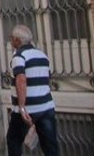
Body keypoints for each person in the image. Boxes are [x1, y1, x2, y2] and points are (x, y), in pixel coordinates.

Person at [6, 24, 59, 156]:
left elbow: (21, 79)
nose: (11, 41)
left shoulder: (19, 56)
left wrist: (22, 107)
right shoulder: (42, 55)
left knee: (13, 139)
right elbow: (46, 78)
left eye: (11, 38)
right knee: (50, 145)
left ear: (17, 40)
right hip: (46, 107)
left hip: (27, 110)